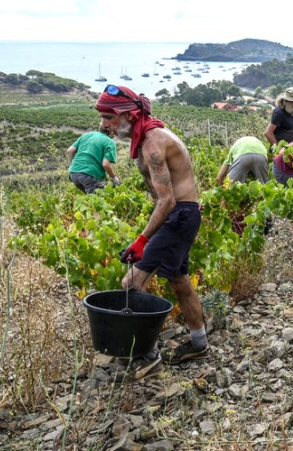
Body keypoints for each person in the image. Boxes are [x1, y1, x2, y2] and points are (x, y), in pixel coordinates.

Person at [95, 85, 207, 381]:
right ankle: (199, 342)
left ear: (128, 114)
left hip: (178, 214)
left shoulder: (153, 144)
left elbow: (167, 199)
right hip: (184, 214)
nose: (104, 124)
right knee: (179, 280)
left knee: (132, 283)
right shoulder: (149, 135)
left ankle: (147, 357)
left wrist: (143, 239)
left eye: (108, 117)